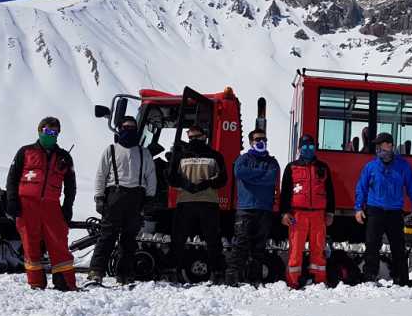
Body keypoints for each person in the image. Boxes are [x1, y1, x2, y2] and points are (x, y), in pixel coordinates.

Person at [5, 116, 77, 291]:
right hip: (27, 205)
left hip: (51, 206)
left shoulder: (64, 157)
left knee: (59, 243)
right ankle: (36, 283)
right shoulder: (25, 152)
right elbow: (12, 178)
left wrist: (67, 206)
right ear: (39, 131)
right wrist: (12, 200)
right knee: (30, 245)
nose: (51, 135)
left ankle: (65, 282)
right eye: (47, 131)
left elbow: (71, 185)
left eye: (55, 132)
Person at [87, 116, 157, 287]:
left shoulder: (143, 152)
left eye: (132, 127)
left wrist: (149, 198)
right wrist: (99, 198)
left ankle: (125, 274)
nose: (129, 130)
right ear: (119, 129)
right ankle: (96, 271)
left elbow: (151, 177)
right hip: (114, 196)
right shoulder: (110, 150)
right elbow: (101, 175)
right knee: (107, 236)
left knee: (129, 239)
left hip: (136, 198)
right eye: (126, 127)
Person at [354, 132, 412, 287]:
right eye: (377, 146)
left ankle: (401, 279)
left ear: (390, 146)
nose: (379, 149)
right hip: (375, 210)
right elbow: (361, 188)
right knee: (372, 245)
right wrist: (358, 208)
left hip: (394, 212)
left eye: (382, 146)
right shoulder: (371, 166)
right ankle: (369, 277)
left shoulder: (403, 166)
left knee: (398, 246)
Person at [169, 125, 228, 283]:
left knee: (213, 240)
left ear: (204, 136)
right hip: (185, 202)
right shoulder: (180, 156)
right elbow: (171, 177)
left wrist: (208, 183)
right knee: (178, 239)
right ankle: (173, 270)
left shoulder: (215, 156)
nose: (194, 140)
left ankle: (218, 273)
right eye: (191, 138)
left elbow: (223, 178)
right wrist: (185, 184)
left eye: (197, 137)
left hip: (208, 202)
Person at [279, 134, 335, 289]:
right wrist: (284, 213)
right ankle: (293, 281)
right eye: (305, 147)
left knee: (318, 248)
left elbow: (330, 191)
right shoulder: (291, 167)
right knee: (296, 248)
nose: (308, 150)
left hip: (318, 214)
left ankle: (319, 280)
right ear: (299, 149)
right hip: (298, 214)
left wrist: (330, 212)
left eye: (311, 147)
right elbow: (285, 193)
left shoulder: (323, 168)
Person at [226, 128, 279, 286]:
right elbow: (239, 172)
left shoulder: (272, 162)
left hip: (265, 209)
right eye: (257, 139)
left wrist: (252, 176)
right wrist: (261, 173)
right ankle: (232, 279)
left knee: (259, 247)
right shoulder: (243, 159)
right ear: (251, 142)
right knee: (240, 244)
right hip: (245, 208)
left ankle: (254, 279)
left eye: (263, 139)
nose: (261, 141)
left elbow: (271, 178)